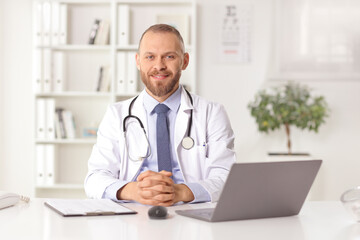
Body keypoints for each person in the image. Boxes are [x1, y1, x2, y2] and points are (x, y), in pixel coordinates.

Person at [85, 24, 236, 206]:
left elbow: (226, 178)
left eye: (169, 56)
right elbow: (94, 179)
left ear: (184, 61)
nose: (159, 66)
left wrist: (180, 192)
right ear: (138, 61)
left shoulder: (212, 113)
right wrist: (134, 190)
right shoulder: (116, 115)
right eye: (150, 57)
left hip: (190, 212)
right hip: (133, 214)